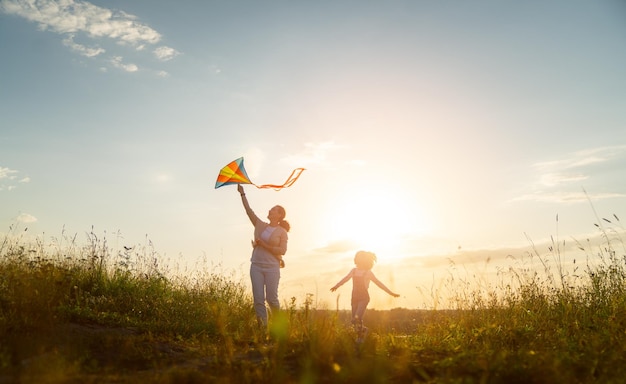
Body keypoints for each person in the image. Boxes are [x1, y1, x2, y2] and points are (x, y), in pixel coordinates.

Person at [237, 184, 289, 328]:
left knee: (271, 299)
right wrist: (242, 193)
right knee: (258, 299)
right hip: (256, 266)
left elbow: (282, 250)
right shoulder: (260, 225)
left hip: (272, 268)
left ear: (279, 216)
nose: (270, 210)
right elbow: (249, 211)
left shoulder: (282, 232)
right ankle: (263, 329)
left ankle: (279, 327)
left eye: (273, 210)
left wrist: (264, 245)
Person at [330, 250, 399, 342]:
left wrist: (391, 293)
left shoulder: (368, 273)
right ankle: (364, 330)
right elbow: (345, 279)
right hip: (354, 298)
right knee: (353, 321)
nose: (357, 258)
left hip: (364, 298)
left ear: (364, 260)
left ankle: (360, 338)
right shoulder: (354, 271)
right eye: (357, 257)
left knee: (357, 318)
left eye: (359, 257)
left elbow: (379, 283)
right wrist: (336, 286)